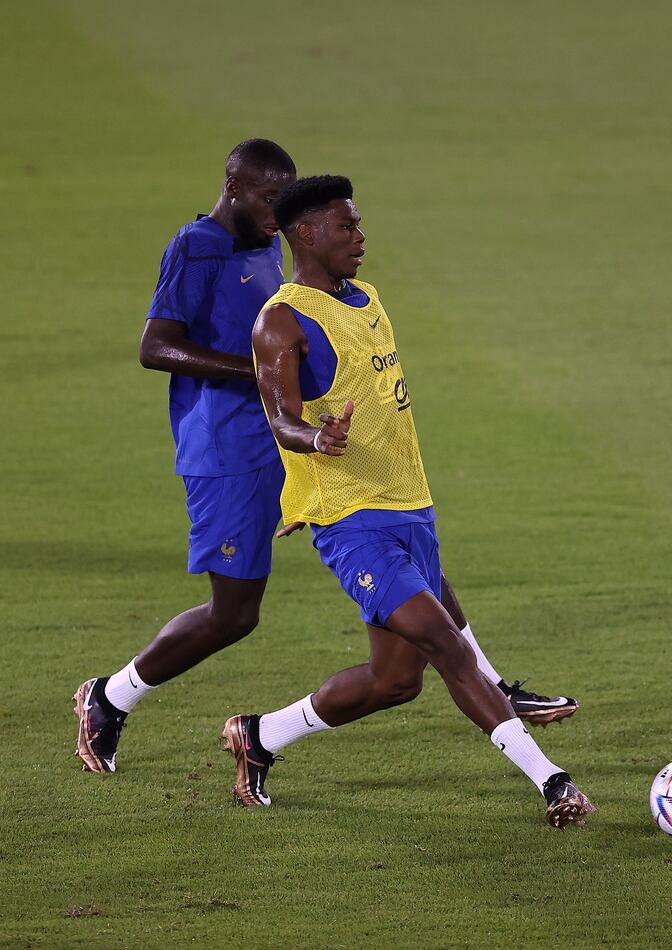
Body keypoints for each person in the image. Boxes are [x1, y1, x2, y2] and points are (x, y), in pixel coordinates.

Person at [73, 140, 576, 776]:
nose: (274, 208)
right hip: (225, 448)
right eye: (265, 196)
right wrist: (260, 374)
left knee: (402, 543)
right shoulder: (198, 247)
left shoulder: (266, 246)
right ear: (232, 187)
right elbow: (155, 346)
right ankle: (111, 697)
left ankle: (492, 685)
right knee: (235, 614)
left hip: (284, 440)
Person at [226, 175, 594, 828]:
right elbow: (281, 417)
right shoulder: (281, 321)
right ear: (306, 235)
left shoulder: (367, 299)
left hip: (411, 508)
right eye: (347, 227)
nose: (360, 238)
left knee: (396, 682)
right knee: (444, 643)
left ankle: (260, 736)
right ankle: (552, 781)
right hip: (353, 524)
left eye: (359, 223)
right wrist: (318, 436)